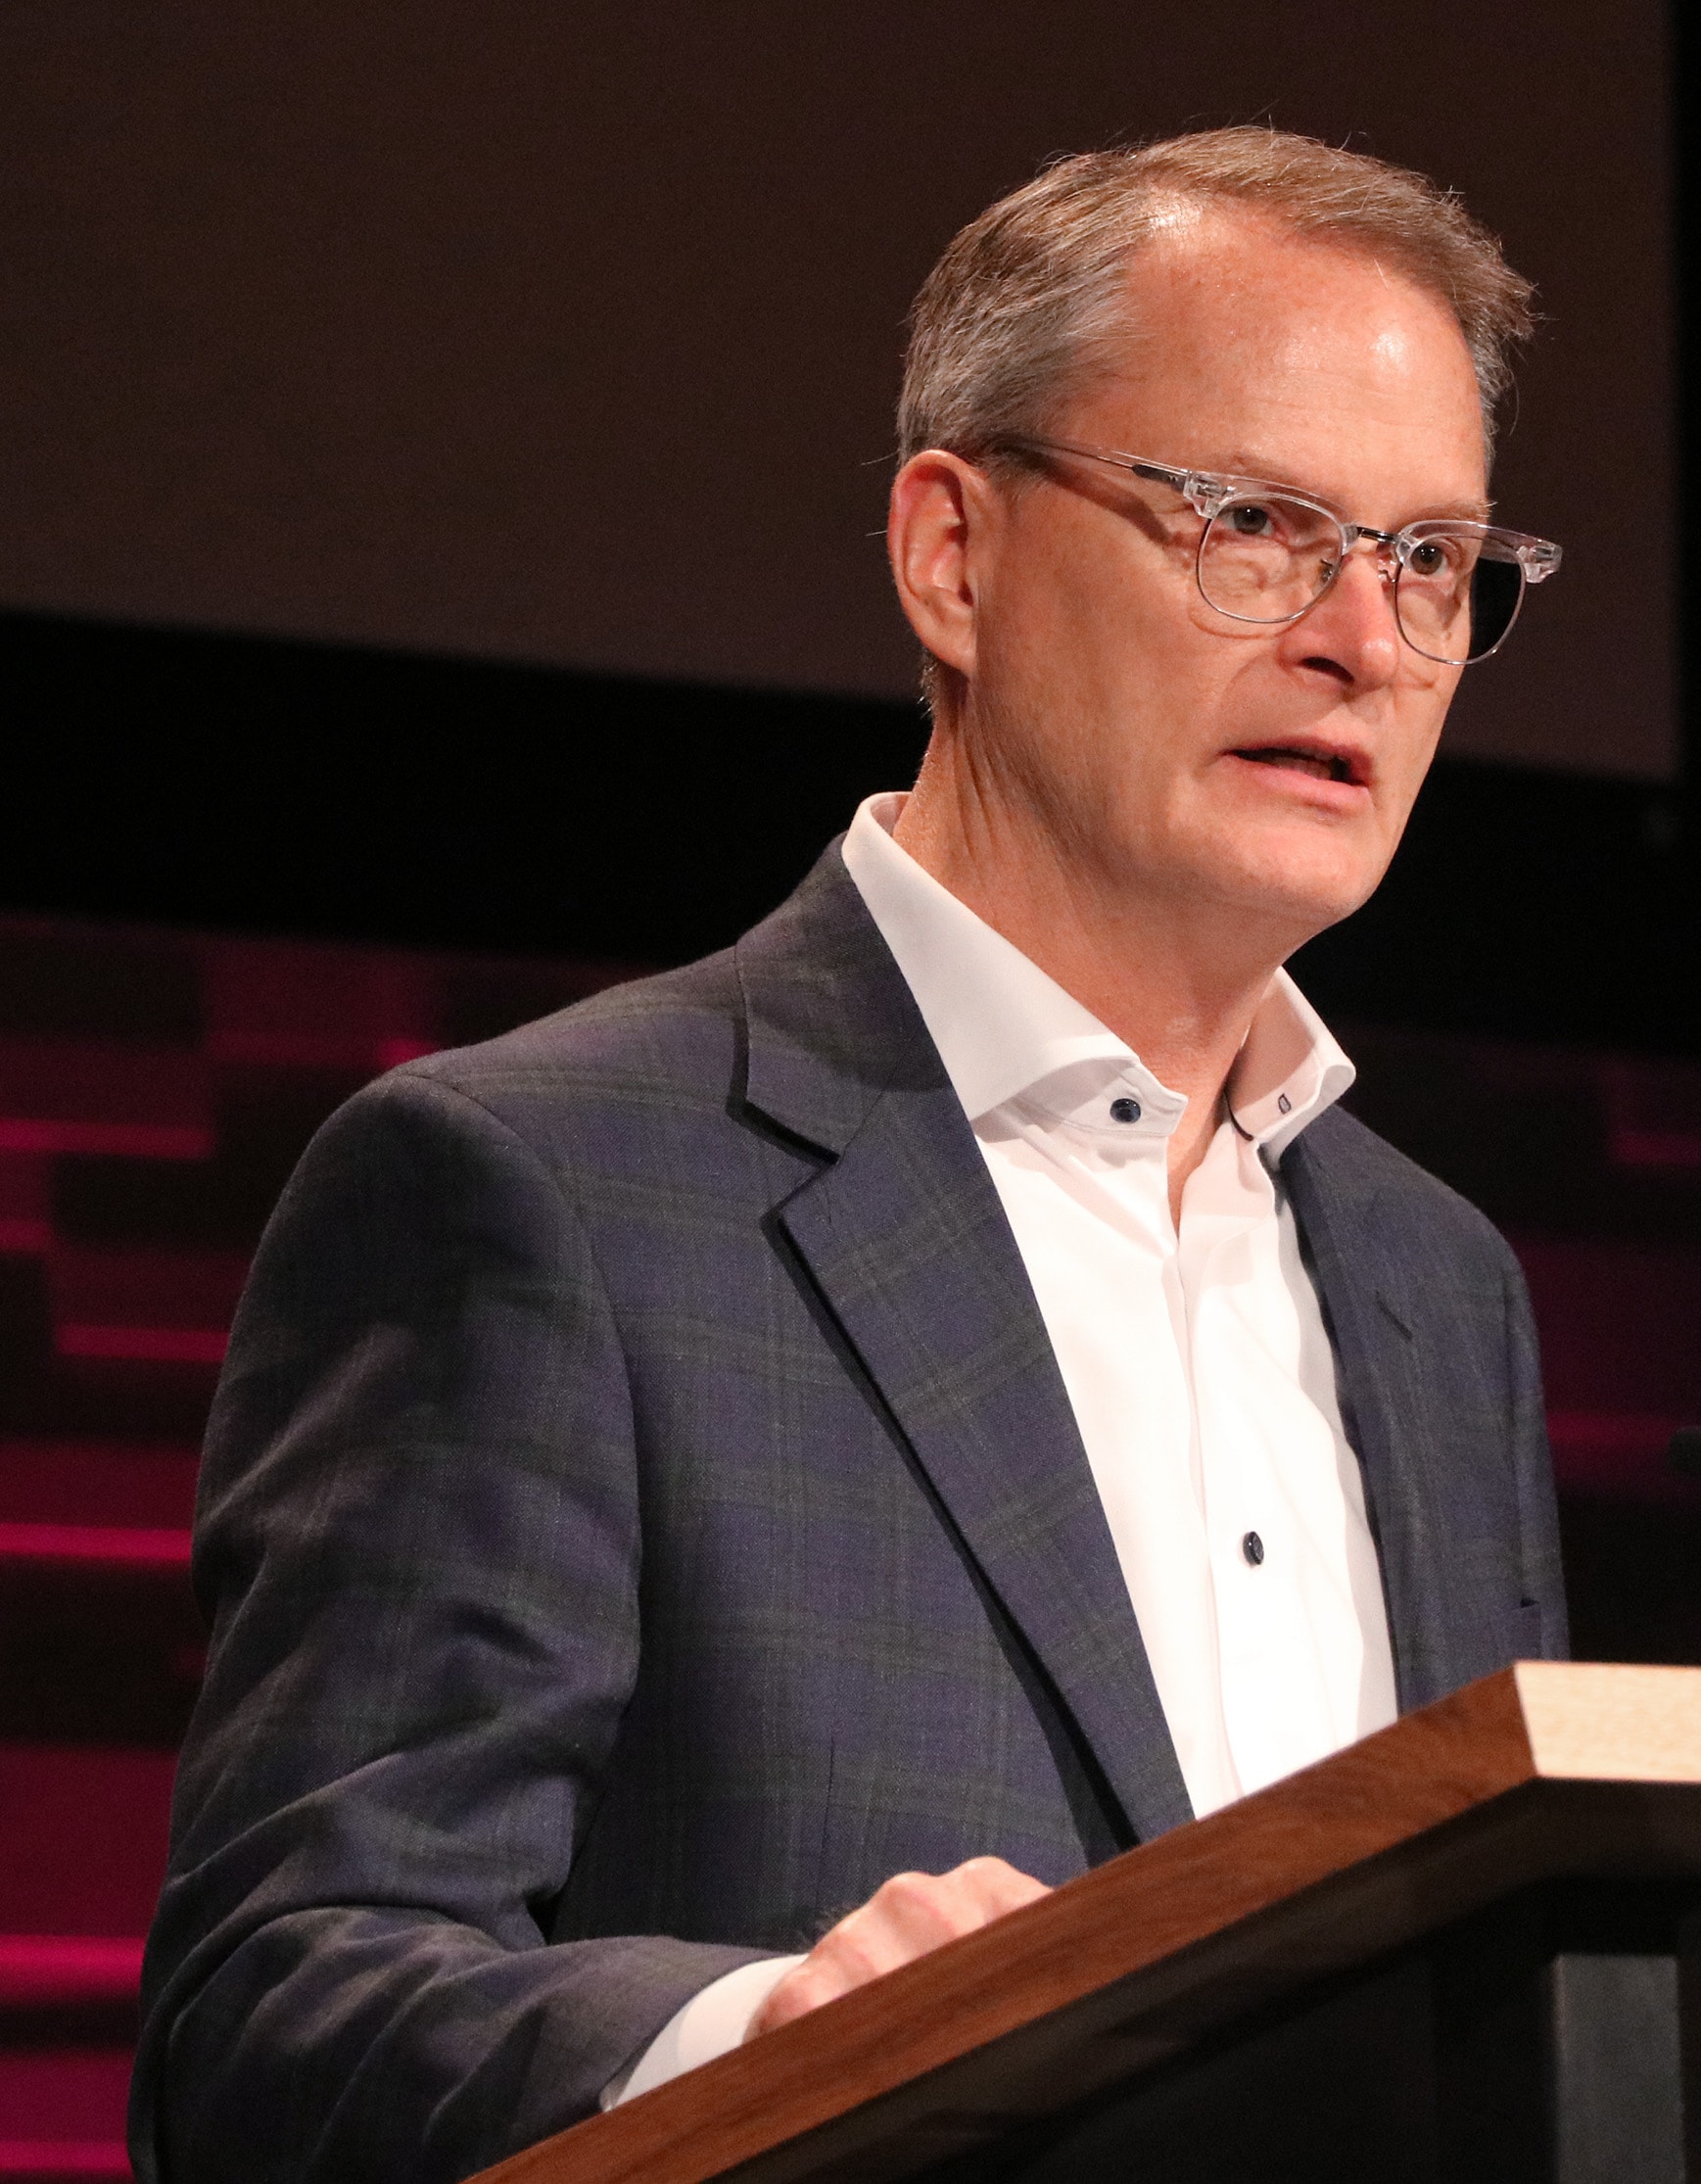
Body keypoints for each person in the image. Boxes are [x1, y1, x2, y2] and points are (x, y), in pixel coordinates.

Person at [129, 127, 1570, 2183]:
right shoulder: (543, 1189)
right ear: (953, 557)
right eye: (1254, 523)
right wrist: (757, 2040)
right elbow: (271, 2022)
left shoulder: (1441, 1291)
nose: (1361, 633)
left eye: (1429, 558)